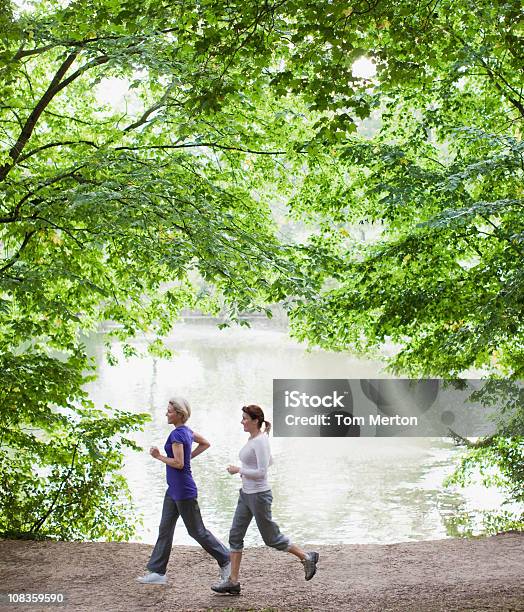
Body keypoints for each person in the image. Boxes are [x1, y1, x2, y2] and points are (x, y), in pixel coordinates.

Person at [211, 404, 319, 595]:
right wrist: (245, 472)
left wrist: (239, 470)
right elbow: (269, 461)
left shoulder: (260, 441)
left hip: (259, 496)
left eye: (245, 418)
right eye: (242, 417)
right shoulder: (255, 438)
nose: (242, 421)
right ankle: (233, 582)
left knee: (271, 538)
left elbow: (262, 472)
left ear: (255, 421)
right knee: (235, 535)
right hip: (246, 495)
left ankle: (306, 557)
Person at [137, 397, 231, 585]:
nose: (166, 413)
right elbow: (205, 443)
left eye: (170, 411)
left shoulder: (178, 435)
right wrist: (189, 457)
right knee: (165, 529)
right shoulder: (186, 431)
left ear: (179, 414)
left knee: (197, 531)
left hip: (184, 491)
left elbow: (179, 464)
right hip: (173, 490)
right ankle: (157, 572)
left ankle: (226, 559)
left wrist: (159, 457)